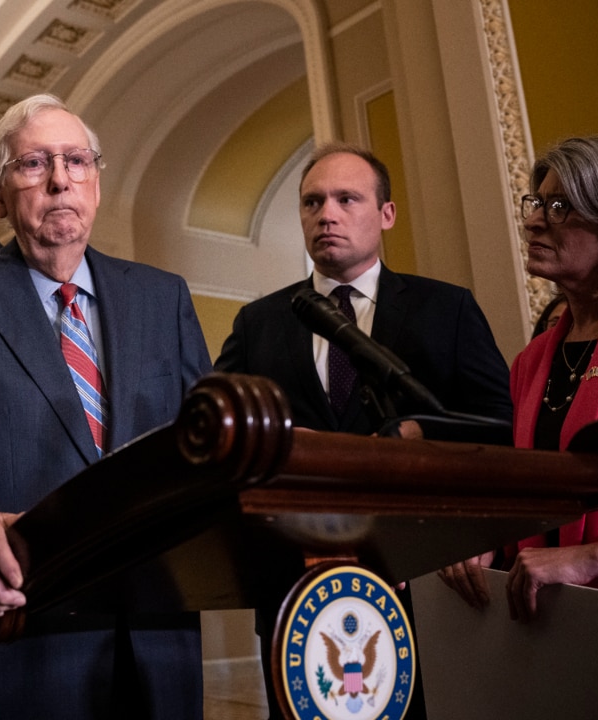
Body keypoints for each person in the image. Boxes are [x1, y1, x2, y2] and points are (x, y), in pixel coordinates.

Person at [0, 94, 212, 720]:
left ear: (96, 180)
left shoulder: (162, 297)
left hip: (156, 631)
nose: (61, 179)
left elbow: (200, 449)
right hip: (21, 631)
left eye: (76, 160)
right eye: (35, 164)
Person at [213, 142, 513, 718]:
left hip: (424, 578)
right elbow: (225, 441)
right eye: (312, 202)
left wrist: (420, 434)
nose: (327, 214)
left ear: (386, 213)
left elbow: (499, 426)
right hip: (297, 586)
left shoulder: (444, 309)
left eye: (347, 198)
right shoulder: (260, 322)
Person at [440, 133, 598, 619]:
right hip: (562, 630)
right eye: (537, 203)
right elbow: (533, 503)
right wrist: (485, 542)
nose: (532, 222)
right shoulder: (533, 359)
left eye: (561, 206)